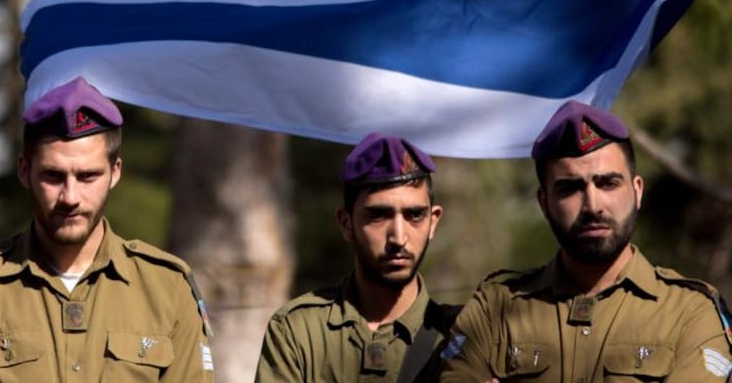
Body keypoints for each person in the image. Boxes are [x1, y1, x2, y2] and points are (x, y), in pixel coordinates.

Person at [0, 76, 215, 382]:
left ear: (114, 172)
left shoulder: (167, 288)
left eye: (87, 176)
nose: (70, 197)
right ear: (24, 171)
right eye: (53, 176)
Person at [440, 100, 732, 382]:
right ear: (544, 202)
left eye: (608, 183)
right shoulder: (494, 309)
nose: (593, 205)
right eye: (570, 188)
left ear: (637, 191)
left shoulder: (689, 312)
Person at [255, 133, 457, 382]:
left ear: (433, 221)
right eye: (378, 215)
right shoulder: (299, 332)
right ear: (346, 223)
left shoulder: (465, 337)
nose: (398, 237)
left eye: (414, 215)